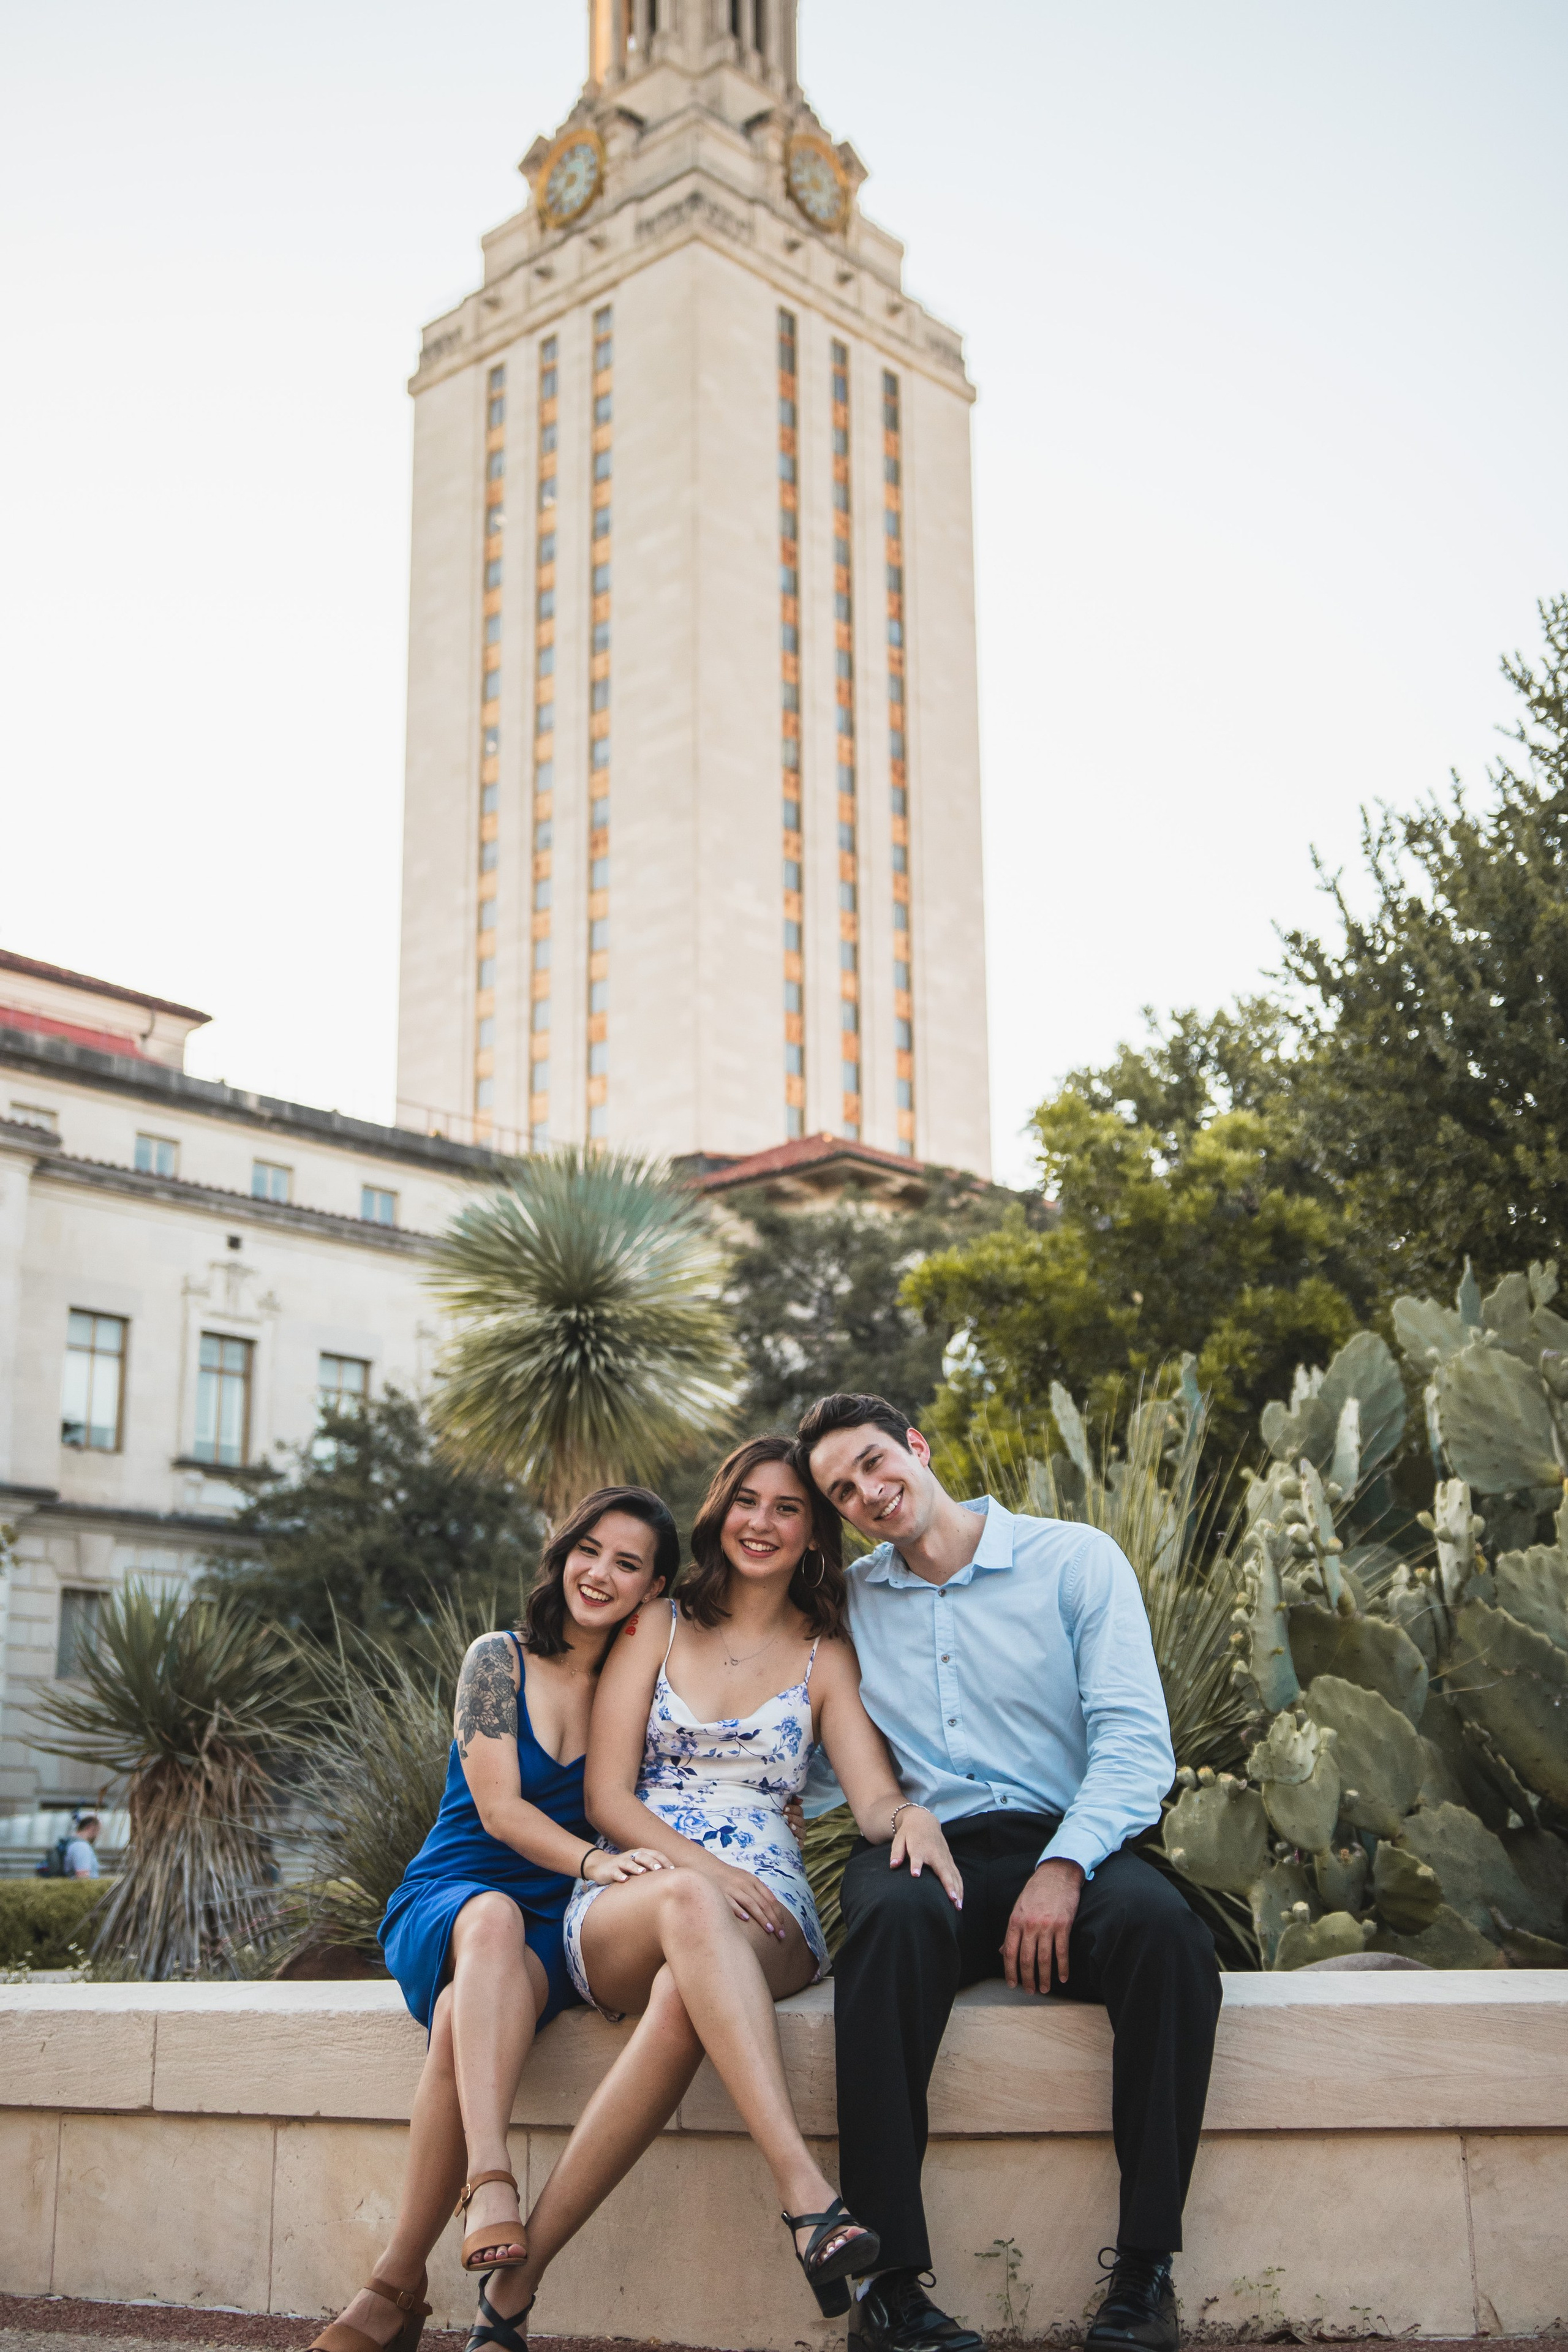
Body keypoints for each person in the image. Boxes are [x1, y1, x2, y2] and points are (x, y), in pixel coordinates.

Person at [464, 1434, 964, 2352]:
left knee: (682, 2003)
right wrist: (708, 1870)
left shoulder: (827, 1653)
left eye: (787, 1509)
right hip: (642, 1886)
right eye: (747, 1501)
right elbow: (604, 1796)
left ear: (813, 1533)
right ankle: (807, 2198)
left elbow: (871, 1797)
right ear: (719, 1510)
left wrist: (912, 1819)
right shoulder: (657, 1622)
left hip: (770, 1908)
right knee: (695, 1909)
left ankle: (515, 2292)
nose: (762, 1523)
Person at [797, 1393, 1222, 2352]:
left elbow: (1133, 1741)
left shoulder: (1073, 1559)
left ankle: (1146, 2276)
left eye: (874, 1462)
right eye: (842, 1489)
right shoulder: (851, 1604)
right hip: (925, 1849)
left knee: (1167, 1937)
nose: (869, 1491)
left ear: (917, 1445)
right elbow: (817, 1754)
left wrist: (1067, 1862)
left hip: (1067, 1837)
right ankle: (893, 2289)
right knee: (890, 1929)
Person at [303, 1487, 679, 2352]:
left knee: (457, 2018)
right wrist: (595, 1860)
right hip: (455, 1889)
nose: (601, 1573)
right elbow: (503, 1812)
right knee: (490, 1921)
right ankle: (490, 2176)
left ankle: (393, 2288)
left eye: (627, 1564)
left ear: (654, 1590)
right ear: (564, 1551)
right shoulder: (496, 1660)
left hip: (556, 1921)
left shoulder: (648, 1696)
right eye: (591, 1550)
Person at [64, 1813, 100, 1877]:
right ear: (90, 1828)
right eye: (98, 1830)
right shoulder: (82, 1847)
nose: (98, 1835)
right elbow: (83, 1876)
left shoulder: (73, 1843)